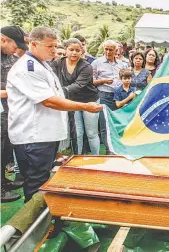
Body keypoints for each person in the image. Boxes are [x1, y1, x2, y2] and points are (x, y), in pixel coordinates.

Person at [7, 26, 103, 202]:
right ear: (34, 44)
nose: (54, 50)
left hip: (44, 135)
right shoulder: (28, 68)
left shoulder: (41, 63)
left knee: (42, 180)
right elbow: (49, 101)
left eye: (55, 46)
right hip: (34, 137)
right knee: (36, 184)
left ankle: (43, 220)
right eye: (50, 46)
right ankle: (35, 225)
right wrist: (84, 107)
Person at [50, 38, 100, 155]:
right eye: (71, 49)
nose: (74, 52)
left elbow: (78, 85)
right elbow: (51, 78)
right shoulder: (57, 63)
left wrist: (59, 93)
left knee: (91, 133)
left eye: (77, 50)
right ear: (66, 50)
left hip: (90, 101)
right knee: (77, 132)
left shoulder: (87, 66)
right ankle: (78, 158)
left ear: (81, 51)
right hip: (72, 102)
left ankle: (96, 157)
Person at [1, 25, 27, 202]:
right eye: (14, 45)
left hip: (9, 109)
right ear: (3, 40)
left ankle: (3, 181)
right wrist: (14, 90)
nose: (16, 49)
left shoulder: (9, 57)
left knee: (6, 147)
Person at [92, 40, 128, 154]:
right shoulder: (96, 63)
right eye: (106, 49)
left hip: (119, 97)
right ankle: (109, 150)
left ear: (116, 51)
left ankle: (120, 148)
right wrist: (103, 81)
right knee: (105, 124)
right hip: (104, 95)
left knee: (118, 123)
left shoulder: (123, 64)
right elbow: (91, 81)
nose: (108, 52)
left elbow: (126, 79)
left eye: (110, 49)